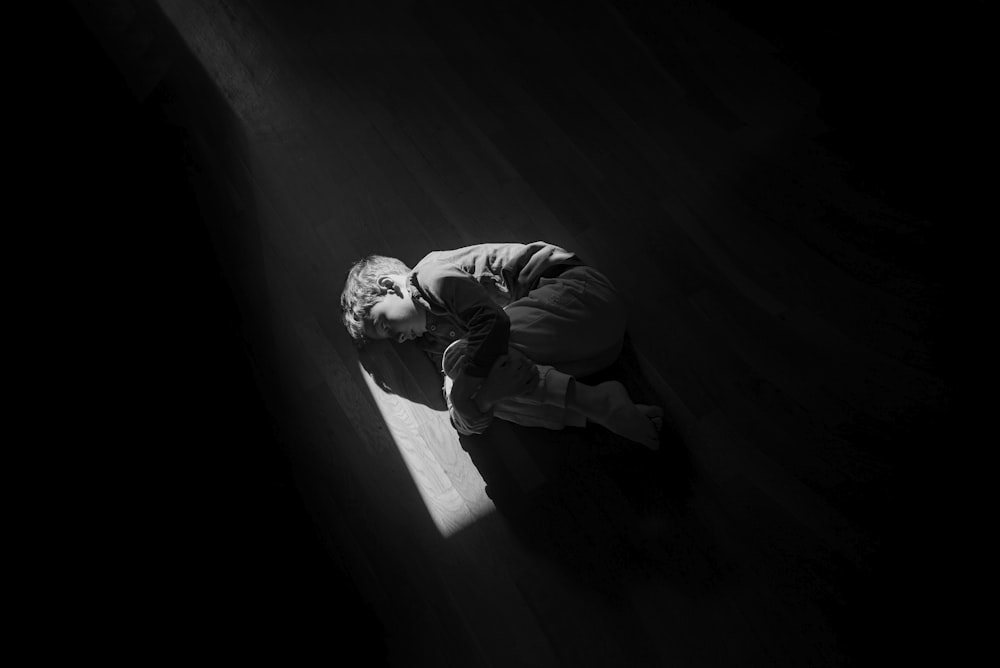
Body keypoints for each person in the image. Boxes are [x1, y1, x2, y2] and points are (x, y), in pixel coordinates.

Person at [340, 241, 663, 449]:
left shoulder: (429, 276)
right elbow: (464, 419)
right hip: (593, 353)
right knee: (478, 383)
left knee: (464, 366)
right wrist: (473, 402)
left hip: (579, 295)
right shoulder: (433, 340)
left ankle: (598, 404)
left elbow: (493, 323)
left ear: (390, 287)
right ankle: (601, 407)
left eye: (386, 324)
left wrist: (467, 388)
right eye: (392, 339)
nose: (400, 338)